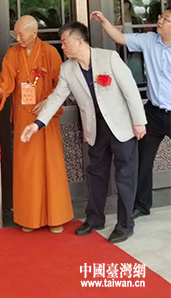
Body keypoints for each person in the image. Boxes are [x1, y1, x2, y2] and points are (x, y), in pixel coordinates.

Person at [22, 22, 147, 244]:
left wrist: (139, 122)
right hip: (95, 129)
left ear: (79, 41)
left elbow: (130, 91)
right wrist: (38, 124)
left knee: (125, 177)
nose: (62, 47)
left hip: (122, 127)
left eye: (64, 42)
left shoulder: (109, 58)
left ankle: (125, 225)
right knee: (96, 175)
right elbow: (57, 98)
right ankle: (95, 218)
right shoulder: (67, 69)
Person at [0, 15, 73, 234]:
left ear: (34, 33)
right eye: (15, 34)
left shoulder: (50, 53)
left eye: (21, 35)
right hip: (24, 118)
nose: (17, 39)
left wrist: (48, 101)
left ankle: (56, 217)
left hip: (45, 118)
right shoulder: (12, 54)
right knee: (27, 168)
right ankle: (29, 217)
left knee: (51, 166)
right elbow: (6, 80)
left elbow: (62, 84)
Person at [91, 8, 171, 218]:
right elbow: (119, 38)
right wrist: (104, 21)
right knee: (142, 160)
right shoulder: (149, 40)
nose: (160, 20)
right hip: (153, 112)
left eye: (166, 19)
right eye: (161, 17)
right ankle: (142, 205)